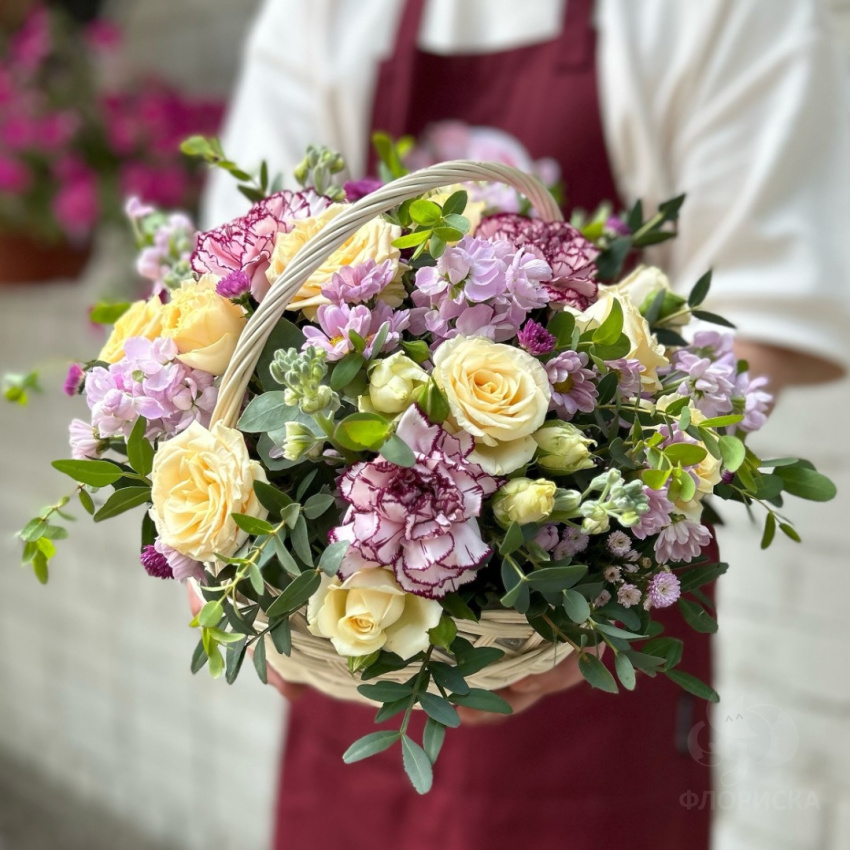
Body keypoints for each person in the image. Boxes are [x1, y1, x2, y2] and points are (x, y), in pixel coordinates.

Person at [203, 2, 850, 848]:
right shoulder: (323, 14)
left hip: (590, 619)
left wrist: (610, 522)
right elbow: (243, 290)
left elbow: (767, 311)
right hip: (354, 658)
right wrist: (209, 528)